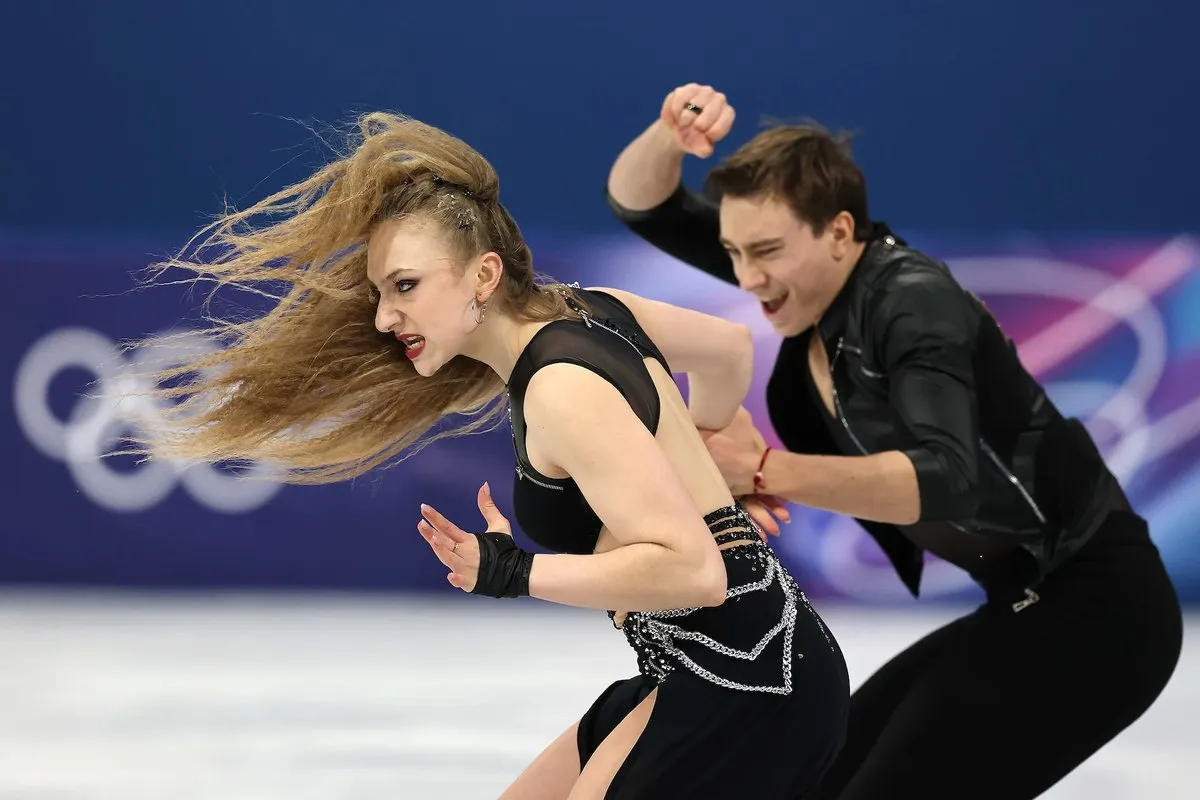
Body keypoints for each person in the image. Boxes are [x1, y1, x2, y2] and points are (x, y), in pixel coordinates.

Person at [130, 112, 850, 799]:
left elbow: (695, 571)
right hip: (721, 666)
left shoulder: (560, 389)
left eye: (405, 287)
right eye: (382, 293)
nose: (384, 317)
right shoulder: (585, 306)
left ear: (483, 276)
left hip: (748, 684)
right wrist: (692, 459)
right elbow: (726, 353)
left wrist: (515, 572)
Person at [604, 84, 1183, 799]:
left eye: (764, 252)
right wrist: (669, 135)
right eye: (733, 252)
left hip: (1102, 620)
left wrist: (762, 469)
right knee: (815, 778)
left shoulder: (912, 304)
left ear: (840, 232)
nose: (748, 278)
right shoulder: (802, 277)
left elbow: (947, 476)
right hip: (1025, 605)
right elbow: (640, 203)